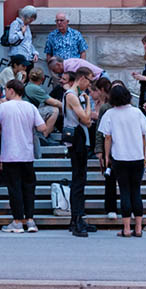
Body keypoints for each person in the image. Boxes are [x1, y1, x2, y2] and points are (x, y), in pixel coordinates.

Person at [0, 80, 46, 233]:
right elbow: (42, 127)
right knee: (29, 188)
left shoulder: (3, 107)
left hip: (10, 154)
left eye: (6, 90)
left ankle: (17, 221)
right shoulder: (31, 107)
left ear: (11, 90)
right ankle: (30, 220)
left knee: (14, 188)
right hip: (27, 154)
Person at [99, 82, 146, 238]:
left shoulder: (110, 114)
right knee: (137, 191)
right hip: (137, 157)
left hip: (119, 157)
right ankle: (139, 228)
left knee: (124, 191)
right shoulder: (137, 112)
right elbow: (144, 136)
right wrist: (143, 155)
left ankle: (127, 228)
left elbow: (107, 137)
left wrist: (107, 156)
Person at [63, 67, 96, 237]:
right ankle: (76, 220)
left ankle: (77, 219)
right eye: (89, 81)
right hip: (77, 139)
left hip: (79, 138)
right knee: (78, 180)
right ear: (82, 78)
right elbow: (85, 119)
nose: (90, 85)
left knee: (80, 179)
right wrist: (89, 102)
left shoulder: (75, 94)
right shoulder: (72, 95)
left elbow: (87, 120)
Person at [88, 77, 118, 220]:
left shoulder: (132, 110)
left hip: (125, 148)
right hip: (110, 148)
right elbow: (100, 130)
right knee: (110, 179)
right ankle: (110, 207)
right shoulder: (106, 108)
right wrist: (99, 150)